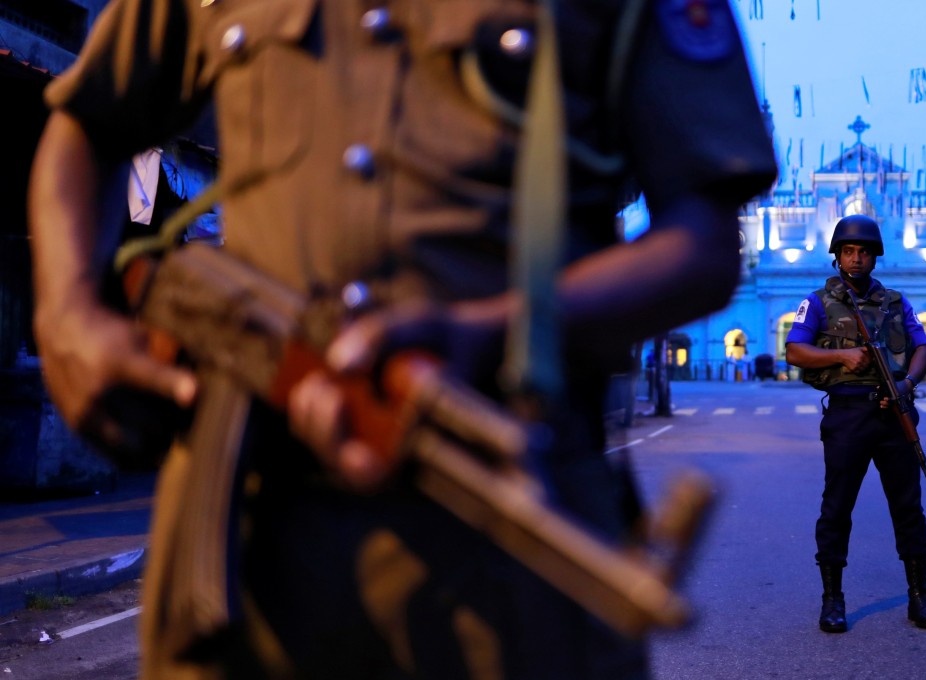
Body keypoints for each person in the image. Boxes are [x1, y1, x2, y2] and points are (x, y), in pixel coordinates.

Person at [28, 1, 776, 678]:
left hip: (513, 537)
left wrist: (491, 334)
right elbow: (88, 123)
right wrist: (66, 316)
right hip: (243, 539)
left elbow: (706, 243)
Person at [785, 215, 926, 634]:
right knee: (837, 507)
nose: (856, 259)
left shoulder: (895, 301)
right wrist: (841, 357)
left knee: (908, 507)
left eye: (864, 251)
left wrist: (908, 383)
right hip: (848, 415)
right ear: (837, 256)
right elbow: (795, 352)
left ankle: (918, 596)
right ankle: (832, 600)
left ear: (875, 256)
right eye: (849, 251)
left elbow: (922, 348)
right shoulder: (818, 301)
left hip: (894, 414)